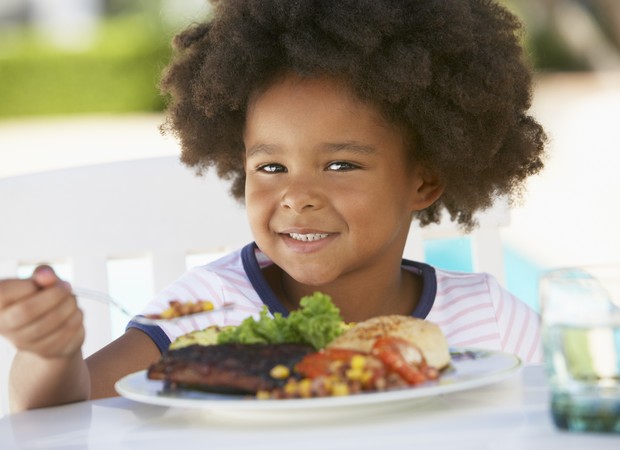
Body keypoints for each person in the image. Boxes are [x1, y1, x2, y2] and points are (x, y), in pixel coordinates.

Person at [0, 0, 546, 412]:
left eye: (340, 165)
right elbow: (62, 416)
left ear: (424, 181)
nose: (297, 195)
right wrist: (50, 355)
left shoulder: (491, 322)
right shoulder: (207, 311)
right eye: (271, 167)